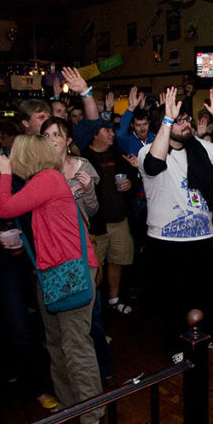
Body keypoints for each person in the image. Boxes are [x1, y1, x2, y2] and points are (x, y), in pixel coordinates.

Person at [0, 135, 105, 424]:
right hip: (52, 272)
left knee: (75, 345)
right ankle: (71, 404)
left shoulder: (48, 178)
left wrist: (4, 175)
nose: (10, 159)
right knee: (56, 344)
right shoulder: (44, 182)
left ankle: (92, 411)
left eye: (13, 155)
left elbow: (4, 208)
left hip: (71, 271)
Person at [139, 85, 213, 360]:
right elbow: (153, 166)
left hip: (203, 235)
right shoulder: (148, 151)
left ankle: (212, 335)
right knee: (174, 297)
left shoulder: (198, 148)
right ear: (164, 124)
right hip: (166, 240)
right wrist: (167, 120)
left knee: (208, 293)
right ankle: (175, 346)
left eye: (186, 119)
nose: (187, 124)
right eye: (179, 120)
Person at [81, 123, 137, 314]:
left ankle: (114, 299)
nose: (112, 134)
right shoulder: (83, 158)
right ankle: (94, 309)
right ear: (94, 135)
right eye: (107, 131)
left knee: (117, 260)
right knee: (94, 268)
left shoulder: (119, 154)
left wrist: (130, 183)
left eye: (112, 130)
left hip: (120, 219)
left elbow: (134, 180)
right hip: (96, 224)